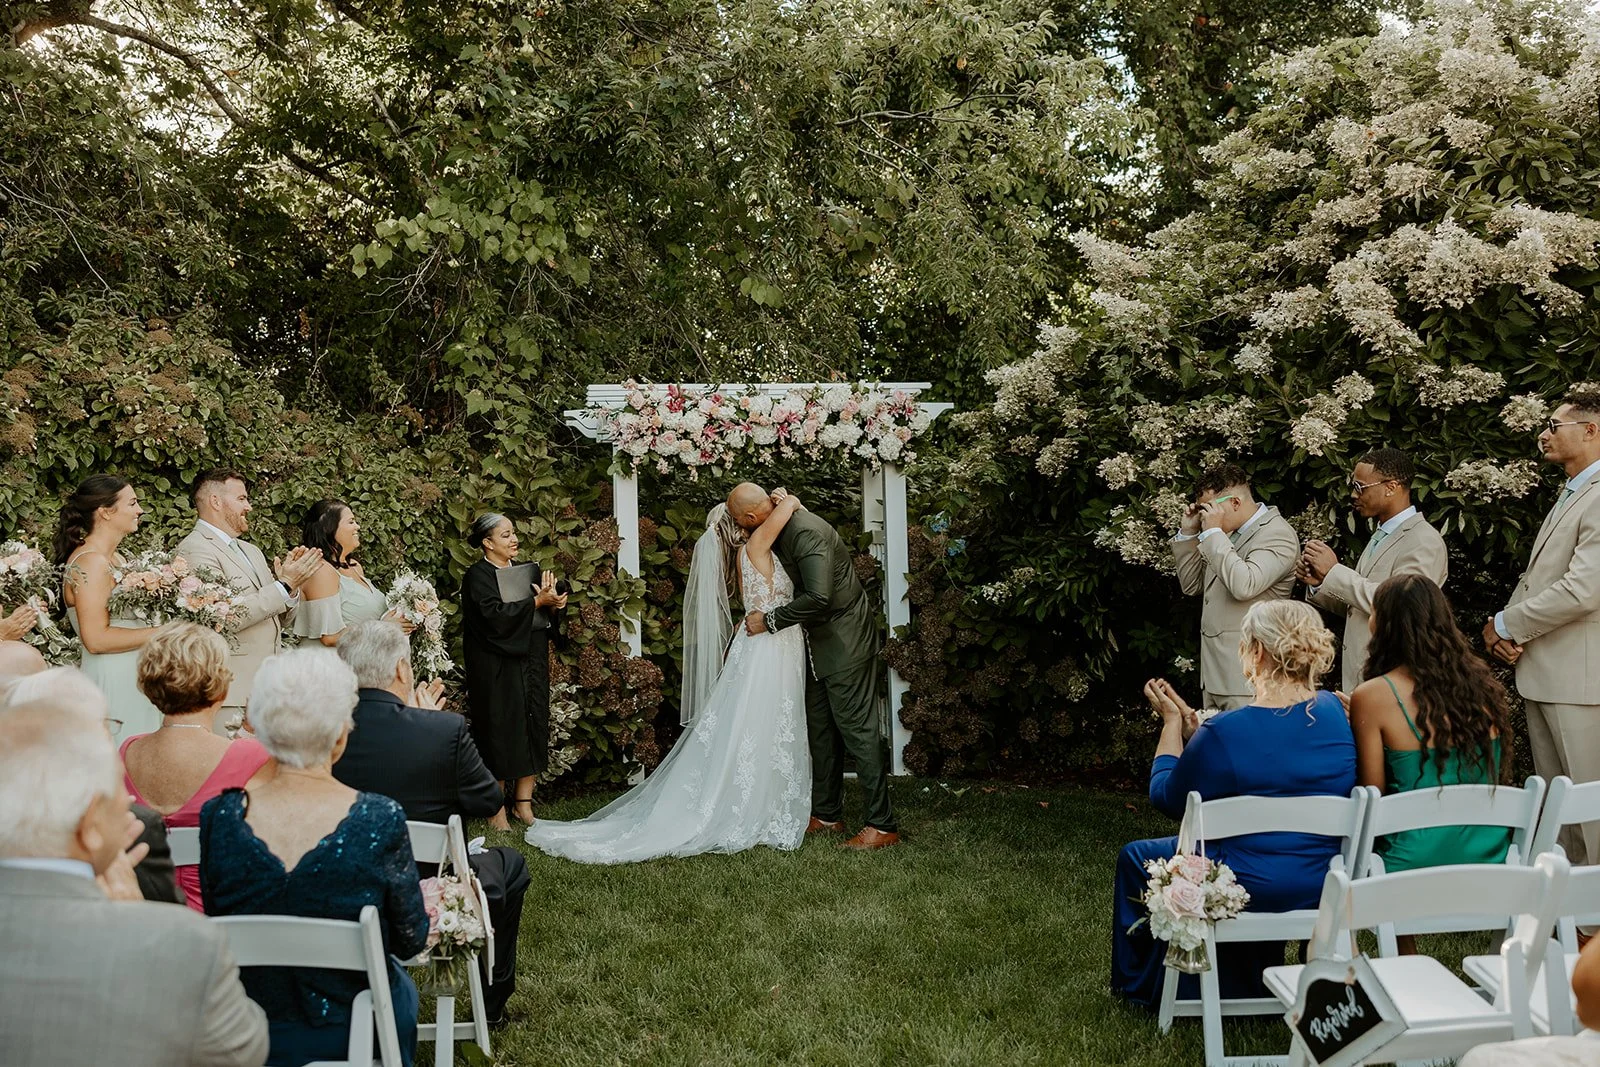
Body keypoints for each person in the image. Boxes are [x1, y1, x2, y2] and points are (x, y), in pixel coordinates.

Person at [526, 494, 810, 861]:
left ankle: (763, 800)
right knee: (763, 720)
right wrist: (785, 499)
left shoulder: (749, 550)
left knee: (761, 722)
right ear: (750, 520)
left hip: (770, 643)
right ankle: (752, 806)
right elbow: (790, 506)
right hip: (769, 649)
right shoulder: (757, 543)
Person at [1112, 600, 1356, 1009]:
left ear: (1257, 651)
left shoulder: (1224, 732)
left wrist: (1173, 726)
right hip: (1324, 881)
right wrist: (1200, 734)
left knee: (1136, 856)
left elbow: (1167, 797)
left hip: (1247, 885)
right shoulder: (1336, 711)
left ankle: (1138, 991)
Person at [0, 700, 270, 1066]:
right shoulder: (184, 942)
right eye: (118, 796)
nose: (129, 802)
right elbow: (243, 1053)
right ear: (91, 825)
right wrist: (139, 926)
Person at [200, 648, 428, 1067]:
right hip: (353, 1030)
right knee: (402, 991)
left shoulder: (220, 816)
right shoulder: (379, 817)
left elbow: (221, 920)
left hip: (247, 1031)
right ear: (341, 734)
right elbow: (409, 939)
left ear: (262, 729)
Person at [334, 620, 530, 1022]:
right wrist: (429, 727)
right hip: (427, 885)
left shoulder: (320, 735)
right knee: (511, 865)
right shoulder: (442, 729)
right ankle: (491, 1006)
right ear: (402, 670)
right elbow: (488, 799)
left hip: (344, 879)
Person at [731, 482, 899, 850]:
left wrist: (770, 621)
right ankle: (827, 815)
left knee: (858, 731)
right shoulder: (785, 526)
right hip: (815, 646)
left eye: (741, 522)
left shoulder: (805, 531)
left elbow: (819, 597)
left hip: (844, 642)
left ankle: (881, 824)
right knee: (821, 730)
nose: (741, 530)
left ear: (751, 517)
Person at [1486, 386, 1600, 866]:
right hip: (1551, 672)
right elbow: (1540, 578)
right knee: (1561, 813)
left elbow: (1584, 588)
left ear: (1592, 431)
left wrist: (1507, 622)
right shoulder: (1575, 491)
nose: (1544, 433)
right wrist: (1507, 632)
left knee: (1589, 815)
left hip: (1581, 679)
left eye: (1556, 425)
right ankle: (1572, 925)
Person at [121, 622, 273, 911]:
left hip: (141, 911)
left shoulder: (128, 750)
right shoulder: (254, 755)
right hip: (222, 916)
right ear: (221, 686)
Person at [175, 469, 321, 732]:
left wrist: (291, 587)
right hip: (230, 692)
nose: (249, 506)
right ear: (216, 502)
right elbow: (221, 618)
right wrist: (283, 584)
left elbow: (278, 618)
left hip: (268, 690)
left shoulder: (250, 551)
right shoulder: (194, 549)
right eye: (241, 498)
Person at [1302, 448, 1449, 694]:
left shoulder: (1424, 540)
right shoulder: (1381, 534)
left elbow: (1402, 605)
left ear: (1391, 487)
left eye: (1360, 487)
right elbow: (1359, 607)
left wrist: (1335, 572)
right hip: (1364, 675)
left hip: (1393, 677)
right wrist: (1320, 582)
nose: (1353, 494)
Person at [460, 513, 567, 826]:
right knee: (500, 732)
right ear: (487, 542)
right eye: (505, 535)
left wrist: (554, 603)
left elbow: (542, 615)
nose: (513, 539)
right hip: (495, 667)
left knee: (532, 725)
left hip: (530, 661)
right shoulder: (477, 576)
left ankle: (524, 805)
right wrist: (535, 603)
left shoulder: (525, 572)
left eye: (513, 533)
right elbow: (492, 617)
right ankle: (496, 812)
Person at [1171, 464, 1301, 711]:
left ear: (1235, 503)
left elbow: (1245, 585)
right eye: (1202, 510)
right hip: (1214, 676)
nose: (1205, 517)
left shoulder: (1276, 534)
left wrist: (1213, 535)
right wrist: (1189, 534)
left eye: (1209, 509)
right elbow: (1192, 585)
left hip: (1250, 680)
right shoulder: (1223, 535)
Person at [54, 474, 163, 739]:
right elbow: (96, 639)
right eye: (133, 503)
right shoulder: (89, 562)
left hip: (136, 677)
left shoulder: (117, 558)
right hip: (113, 680)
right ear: (105, 512)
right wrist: (167, 631)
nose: (140, 510)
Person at [292, 499, 410, 646]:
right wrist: (383, 628)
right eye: (351, 522)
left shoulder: (355, 567)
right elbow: (329, 637)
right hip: (328, 664)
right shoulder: (320, 571)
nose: (358, 526)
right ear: (329, 528)